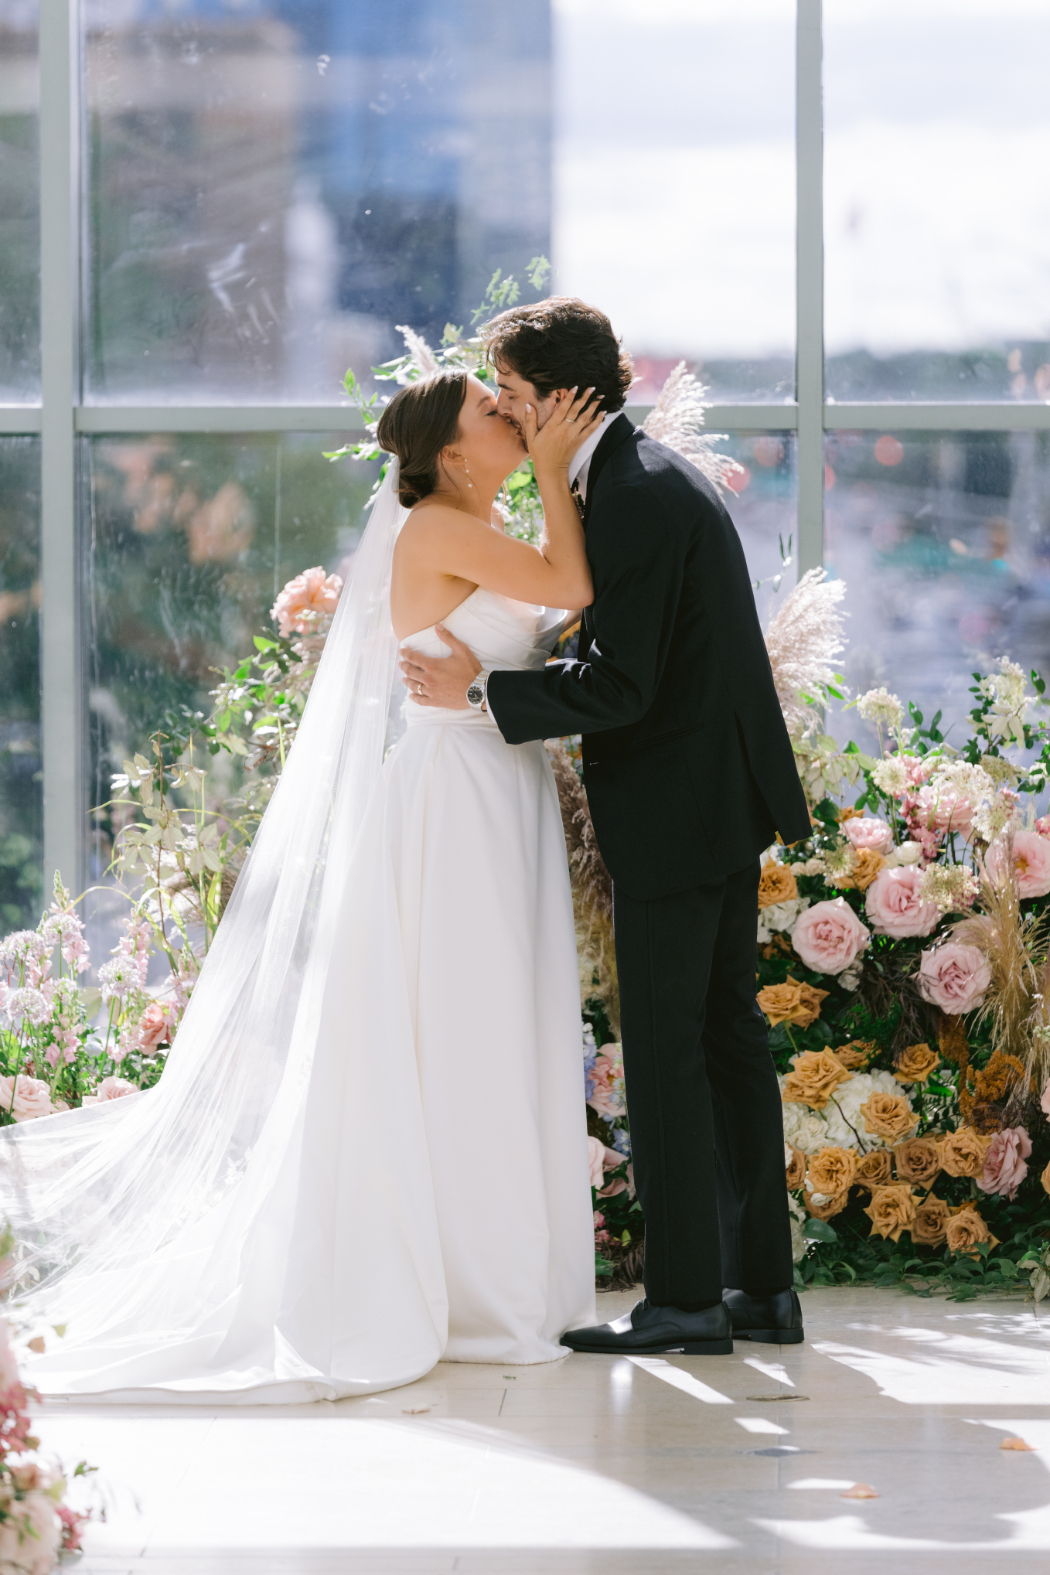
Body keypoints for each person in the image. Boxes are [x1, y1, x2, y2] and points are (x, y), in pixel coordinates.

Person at [1, 372, 603, 1401]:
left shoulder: (461, 521)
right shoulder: (431, 530)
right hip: (455, 795)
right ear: (454, 454)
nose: (513, 421)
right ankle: (469, 1289)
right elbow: (571, 587)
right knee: (465, 1023)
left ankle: (491, 1278)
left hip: (489, 782)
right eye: (493, 416)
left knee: (488, 1022)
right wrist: (554, 470)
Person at [401, 298, 813, 1356]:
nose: (509, 413)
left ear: (554, 400)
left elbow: (623, 684)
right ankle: (759, 1289)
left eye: (514, 397)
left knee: (671, 1048)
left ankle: (683, 1301)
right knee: (725, 1040)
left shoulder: (627, 493)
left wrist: (484, 694)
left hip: (678, 807)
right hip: (713, 797)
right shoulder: (639, 480)